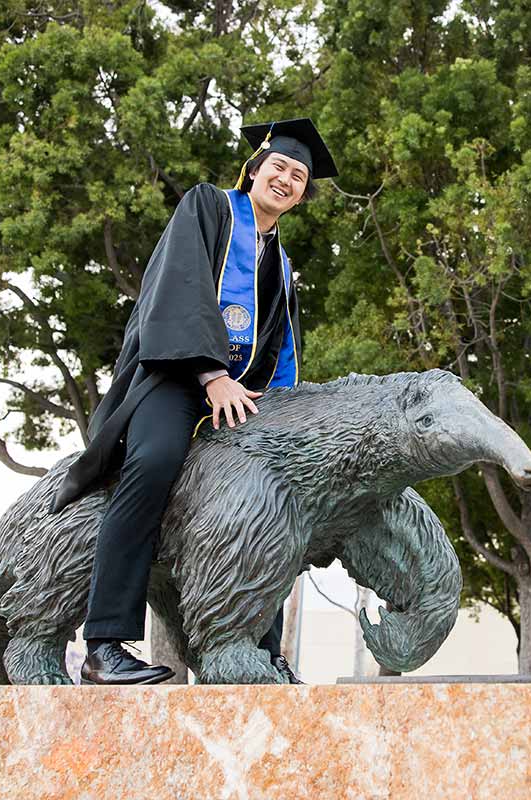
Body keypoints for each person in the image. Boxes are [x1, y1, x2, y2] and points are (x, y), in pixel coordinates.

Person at [48, 117, 339, 685]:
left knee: (270, 500)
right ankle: (105, 645)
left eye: (299, 176)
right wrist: (210, 374)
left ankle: (261, 650)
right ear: (254, 169)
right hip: (178, 379)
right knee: (152, 465)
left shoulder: (280, 264)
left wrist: (282, 417)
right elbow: (179, 285)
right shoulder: (208, 207)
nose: (287, 179)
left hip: (242, 401)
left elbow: (281, 347)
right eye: (278, 166)